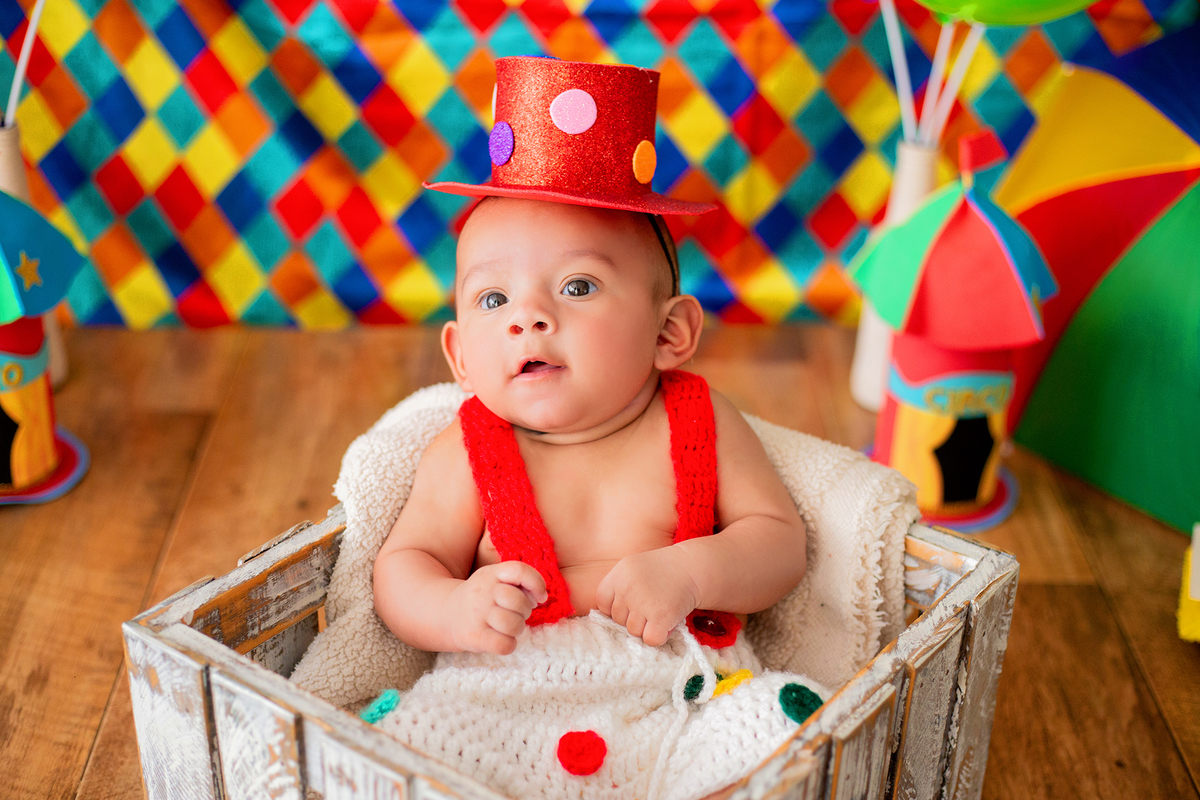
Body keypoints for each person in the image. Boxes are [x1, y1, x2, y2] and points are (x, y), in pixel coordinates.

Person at [364, 56, 828, 800]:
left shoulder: (696, 421)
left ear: (669, 332)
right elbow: (403, 566)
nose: (528, 316)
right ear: (458, 355)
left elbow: (779, 543)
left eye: (578, 286)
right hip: (503, 701)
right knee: (407, 745)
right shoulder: (468, 448)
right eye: (492, 299)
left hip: (679, 693)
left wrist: (689, 572)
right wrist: (455, 608)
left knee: (779, 727)